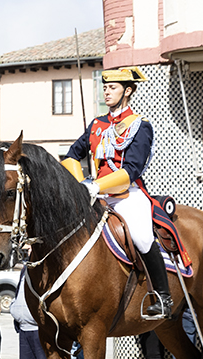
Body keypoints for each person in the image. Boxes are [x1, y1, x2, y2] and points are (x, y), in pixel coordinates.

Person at [62, 66, 170, 320]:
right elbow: (72, 155)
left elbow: (132, 168)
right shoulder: (97, 124)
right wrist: (81, 185)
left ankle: (163, 297)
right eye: (105, 87)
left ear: (128, 90)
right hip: (94, 194)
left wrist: (96, 186)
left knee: (143, 237)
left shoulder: (139, 126)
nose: (107, 92)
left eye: (113, 88)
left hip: (126, 194)